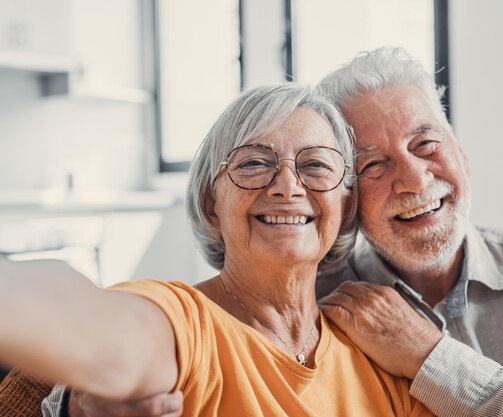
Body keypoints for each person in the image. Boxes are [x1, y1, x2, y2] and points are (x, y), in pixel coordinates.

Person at [40, 48, 503, 416]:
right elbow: (175, 331)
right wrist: (81, 400)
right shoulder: (313, 288)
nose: (413, 177)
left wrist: (429, 358)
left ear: (461, 155)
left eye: (427, 146)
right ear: (347, 200)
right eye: (373, 164)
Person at [0, 83, 434, 417]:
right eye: (253, 163)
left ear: (345, 203)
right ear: (212, 206)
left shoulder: (379, 355)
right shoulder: (188, 323)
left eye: (316, 165)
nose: (286, 186)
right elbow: (100, 330)